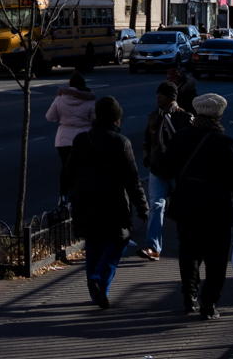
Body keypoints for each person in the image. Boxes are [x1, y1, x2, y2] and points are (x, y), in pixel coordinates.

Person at [162, 93, 233, 319]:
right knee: (216, 257)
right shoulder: (225, 143)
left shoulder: (181, 137)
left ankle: (189, 295)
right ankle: (209, 303)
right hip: (217, 208)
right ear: (219, 113)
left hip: (187, 204)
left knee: (189, 252)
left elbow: (166, 168)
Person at [60, 95, 147, 309]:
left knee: (94, 242)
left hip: (84, 199)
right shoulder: (121, 142)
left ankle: (99, 292)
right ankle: (99, 281)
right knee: (118, 240)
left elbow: (68, 171)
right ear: (116, 119)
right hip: (113, 199)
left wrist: (67, 196)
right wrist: (142, 207)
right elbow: (132, 179)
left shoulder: (81, 139)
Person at [135, 82, 187, 261]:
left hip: (178, 171)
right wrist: (148, 158)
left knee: (182, 208)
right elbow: (147, 141)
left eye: (162, 95)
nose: (158, 98)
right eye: (157, 94)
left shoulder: (184, 119)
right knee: (156, 206)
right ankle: (153, 247)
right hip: (158, 170)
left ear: (172, 97)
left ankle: (187, 244)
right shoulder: (153, 117)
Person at [45, 73, 100, 167]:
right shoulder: (89, 100)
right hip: (84, 137)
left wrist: (62, 119)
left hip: (63, 140)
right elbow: (95, 120)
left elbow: (50, 117)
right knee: (82, 167)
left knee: (66, 167)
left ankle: (66, 182)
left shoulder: (59, 99)